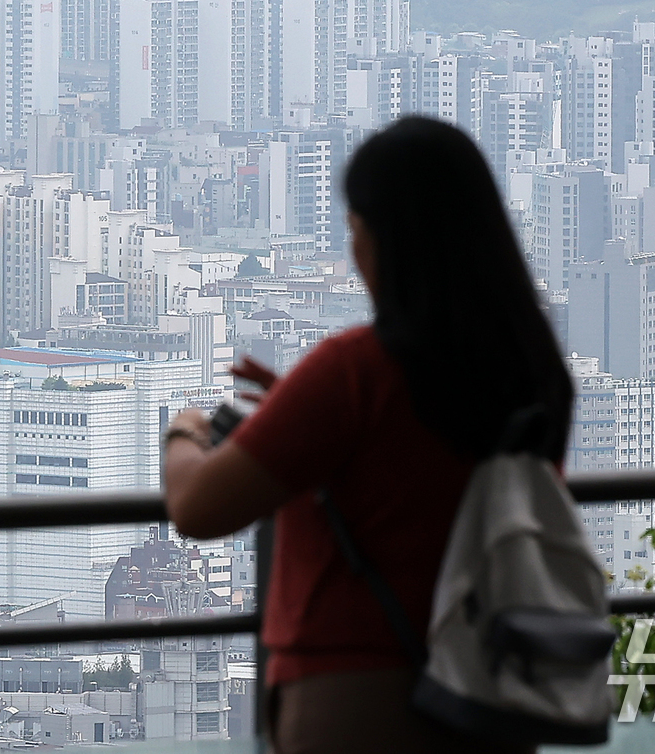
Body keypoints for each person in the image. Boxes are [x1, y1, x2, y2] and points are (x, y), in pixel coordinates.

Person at [161, 116, 573, 754]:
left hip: (357, 699)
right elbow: (413, 460)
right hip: (487, 691)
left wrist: (184, 431)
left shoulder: (356, 371)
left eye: (356, 231)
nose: (354, 253)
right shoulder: (531, 369)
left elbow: (197, 507)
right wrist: (296, 414)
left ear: (386, 242)